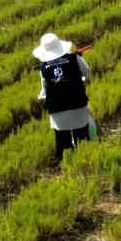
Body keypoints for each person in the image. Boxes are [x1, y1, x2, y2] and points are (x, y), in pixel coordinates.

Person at [33, 32, 95, 162]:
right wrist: (81, 83)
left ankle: (64, 164)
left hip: (57, 109)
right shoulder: (73, 58)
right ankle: (85, 162)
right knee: (82, 136)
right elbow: (87, 71)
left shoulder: (43, 67)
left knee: (62, 140)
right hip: (77, 104)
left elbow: (45, 87)